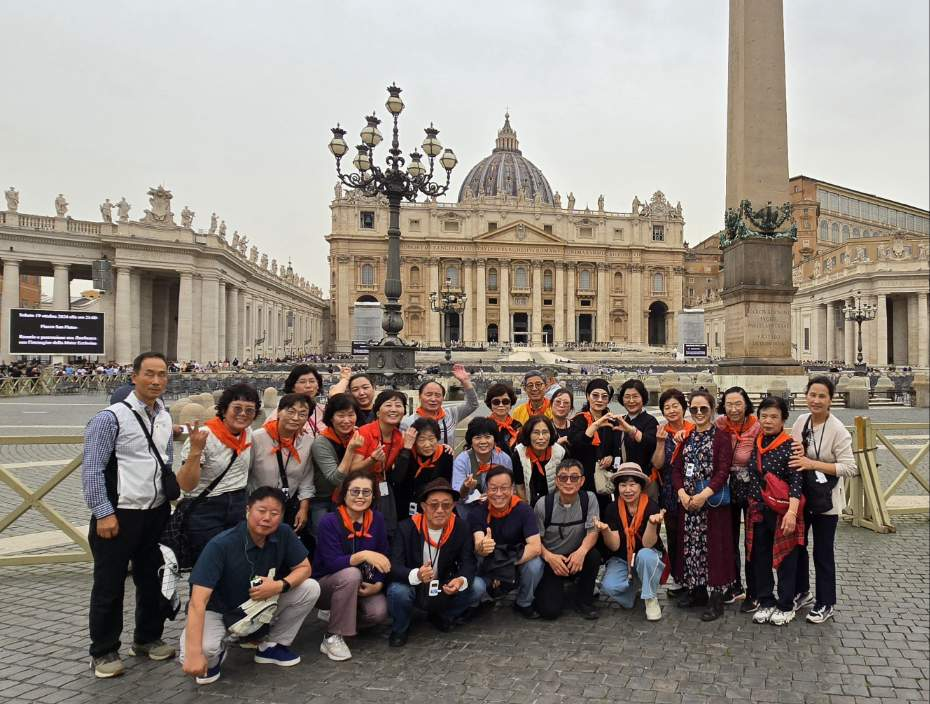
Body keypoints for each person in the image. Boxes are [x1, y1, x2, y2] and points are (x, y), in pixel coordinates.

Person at [82, 352, 176, 678]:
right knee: (109, 584)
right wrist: (103, 512)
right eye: (149, 374)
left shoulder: (164, 415)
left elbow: (165, 460)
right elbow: (92, 471)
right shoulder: (109, 417)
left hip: (156, 511)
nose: (156, 381)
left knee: (152, 579)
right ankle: (104, 650)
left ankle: (148, 638)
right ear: (134, 376)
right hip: (119, 513)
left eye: (162, 374)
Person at [179, 487, 320, 685]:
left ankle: (271, 646)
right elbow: (197, 602)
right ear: (247, 510)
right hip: (218, 610)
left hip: (258, 603)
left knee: (310, 588)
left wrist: (280, 585)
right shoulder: (221, 544)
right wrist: (194, 653)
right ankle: (217, 649)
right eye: (261, 511)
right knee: (202, 656)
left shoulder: (284, 533)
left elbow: (304, 568)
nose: (267, 518)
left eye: (274, 513)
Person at [790, 376, 857, 624]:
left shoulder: (837, 429)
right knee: (798, 547)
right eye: (812, 395)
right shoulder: (800, 421)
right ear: (806, 395)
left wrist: (812, 464)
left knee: (823, 552)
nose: (816, 400)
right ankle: (802, 591)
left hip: (826, 500)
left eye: (822, 396)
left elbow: (850, 467)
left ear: (831, 400)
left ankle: (826, 602)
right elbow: (795, 451)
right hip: (803, 497)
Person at [387, 479, 478, 646]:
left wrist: (460, 580)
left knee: (477, 586)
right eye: (433, 505)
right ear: (423, 506)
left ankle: (442, 616)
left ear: (453, 506)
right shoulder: (406, 528)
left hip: (443, 583)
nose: (440, 511)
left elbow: (468, 562)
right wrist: (417, 575)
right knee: (397, 591)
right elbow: (394, 565)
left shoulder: (461, 527)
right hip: (414, 585)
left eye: (446, 505)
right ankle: (400, 628)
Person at [671, 389, 735, 621]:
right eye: (694, 409)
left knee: (714, 549)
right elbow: (676, 468)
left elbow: (722, 471)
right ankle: (696, 590)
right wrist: (682, 493)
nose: (698, 413)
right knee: (691, 548)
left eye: (703, 409)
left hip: (711, 503)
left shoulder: (721, 438)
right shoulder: (686, 436)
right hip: (688, 503)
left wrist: (703, 495)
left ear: (712, 410)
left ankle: (716, 597)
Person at [313, 470, 390, 661]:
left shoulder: (377, 519)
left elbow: (384, 555)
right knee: (351, 574)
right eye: (355, 491)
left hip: (362, 584)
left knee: (378, 612)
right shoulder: (329, 522)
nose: (360, 497)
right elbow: (331, 563)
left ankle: (339, 614)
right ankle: (333, 636)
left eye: (366, 492)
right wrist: (362, 555)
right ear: (344, 493)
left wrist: (378, 584)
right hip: (326, 584)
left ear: (373, 496)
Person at [178, 383, 260, 561]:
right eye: (237, 408)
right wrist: (195, 450)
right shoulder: (204, 436)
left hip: (238, 505)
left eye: (250, 410)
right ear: (223, 410)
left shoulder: (248, 432)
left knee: (236, 564)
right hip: (206, 509)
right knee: (207, 566)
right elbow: (186, 485)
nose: (243, 414)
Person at [745, 396, 804, 626]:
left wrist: (791, 512)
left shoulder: (791, 445)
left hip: (782, 511)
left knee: (787, 558)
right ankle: (766, 600)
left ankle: (786, 604)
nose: (768, 421)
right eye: (764, 416)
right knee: (760, 557)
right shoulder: (757, 442)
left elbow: (796, 481)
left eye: (774, 417)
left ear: (783, 420)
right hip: (759, 509)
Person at [468, 466, 544, 618]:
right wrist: (482, 546)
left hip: (514, 560)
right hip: (487, 563)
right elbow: (478, 544)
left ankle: (524, 602)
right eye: (493, 488)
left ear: (512, 490)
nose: (498, 494)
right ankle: (477, 601)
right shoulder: (477, 513)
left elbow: (535, 547)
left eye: (504, 488)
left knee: (535, 564)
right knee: (475, 575)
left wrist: (503, 567)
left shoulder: (524, 510)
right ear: (486, 489)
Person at [532, 459, 601, 620]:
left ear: (582, 480)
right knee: (550, 611)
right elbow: (535, 540)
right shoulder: (543, 505)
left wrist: (581, 552)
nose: (568, 482)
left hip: (576, 557)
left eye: (574, 477)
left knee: (593, 555)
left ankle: (584, 600)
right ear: (556, 480)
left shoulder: (589, 499)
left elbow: (593, 531)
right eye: (563, 478)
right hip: (552, 559)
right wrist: (549, 557)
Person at [598, 463, 666, 621]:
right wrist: (605, 530)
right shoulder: (612, 509)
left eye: (632, 484)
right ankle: (634, 587)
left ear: (641, 486)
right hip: (621, 558)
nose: (627, 490)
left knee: (645, 556)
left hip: (646, 554)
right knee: (609, 587)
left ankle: (650, 598)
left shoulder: (651, 507)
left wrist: (651, 523)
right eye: (623, 485)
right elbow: (614, 546)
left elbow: (648, 544)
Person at [249, 394, 316, 548]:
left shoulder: (307, 442)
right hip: (258, 507)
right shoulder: (257, 438)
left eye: (302, 414)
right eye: (290, 412)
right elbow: (245, 475)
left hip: (287, 507)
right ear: (279, 411)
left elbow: (306, 479)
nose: (296, 418)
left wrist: (304, 509)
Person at [715, 386, 761, 610]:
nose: (733, 409)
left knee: (752, 540)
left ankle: (755, 591)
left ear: (746, 405)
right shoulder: (720, 424)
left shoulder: (757, 426)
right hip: (727, 487)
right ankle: (734, 586)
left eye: (738, 404)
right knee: (729, 538)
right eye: (729, 404)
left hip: (752, 489)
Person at [650, 388, 693, 596]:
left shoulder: (694, 429)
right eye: (667, 407)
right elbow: (658, 465)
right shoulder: (662, 432)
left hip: (694, 491)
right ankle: (678, 578)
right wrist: (660, 443)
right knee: (675, 536)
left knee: (693, 536)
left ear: (684, 408)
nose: (672, 410)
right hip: (670, 491)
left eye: (675, 406)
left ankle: (695, 577)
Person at [352, 389, 406, 537]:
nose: (394, 409)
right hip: (360, 488)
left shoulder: (399, 437)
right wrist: (372, 460)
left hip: (382, 487)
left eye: (398, 405)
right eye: (388, 405)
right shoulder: (364, 432)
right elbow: (352, 469)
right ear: (377, 411)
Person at [310, 393, 364, 534]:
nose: (346, 420)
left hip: (351, 497)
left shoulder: (359, 436)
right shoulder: (321, 443)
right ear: (331, 418)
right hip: (323, 499)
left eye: (351, 415)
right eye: (341, 415)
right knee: (324, 538)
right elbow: (335, 478)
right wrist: (351, 449)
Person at [392, 417, 455, 519]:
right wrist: (406, 449)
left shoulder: (445, 454)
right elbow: (397, 479)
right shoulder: (407, 453)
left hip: (433, 507)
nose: (427, 444)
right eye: (421, 439)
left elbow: (446, 485)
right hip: (405, 507)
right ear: (414, 440)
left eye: (431, 439)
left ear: (437, 439)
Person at [400, 363, 478, 444]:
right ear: (420, 397)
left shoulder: (451, 414)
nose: (433, 399)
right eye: (428, 395)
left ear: (443, 398)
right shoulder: (408, 423)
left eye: (437, 395)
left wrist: (465, 381)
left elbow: (472, 404)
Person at [567, 379, 618, 502]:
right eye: (595, 395)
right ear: (587, 396)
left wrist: (612, 457)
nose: (599, 400)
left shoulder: (612, 421)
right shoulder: (579, 420)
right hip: (583, 477)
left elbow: (618, 447)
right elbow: (576, 444)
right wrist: (596, 425)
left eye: (604, 396)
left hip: (603, 477)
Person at [451, 416, 513, 497]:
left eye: (488, 437)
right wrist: (465, 487)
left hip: (497, 502)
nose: (483, 442)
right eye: (478, 437)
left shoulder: (504, 459)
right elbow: (457, 494)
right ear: (471, 441)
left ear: (495, 440)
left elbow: (511, 487)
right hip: (469, 506)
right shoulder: (462, 461)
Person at [514, 415, 566, 505]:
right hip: (528, 502)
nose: (541, 437)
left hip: (553, 503)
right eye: (536, 432)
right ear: (528, 434)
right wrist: (527, 511)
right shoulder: (519, 453)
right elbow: (520, 487)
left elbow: (561, 486)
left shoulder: (559, 452)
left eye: (545, 432)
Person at [614, 379, 658, 475]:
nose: (631, 401)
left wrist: (632, 431)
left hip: (642, 477)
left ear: (643, 398)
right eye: (627, 397)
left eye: (635, 396)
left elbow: (651, 444)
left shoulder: (651, 421)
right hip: (621, 477)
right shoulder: (620, 421)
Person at [277, 364, 326, 438]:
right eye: (302, 382)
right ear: (293, 387)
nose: (308, 386)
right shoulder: (282, 411)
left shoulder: (324, 410)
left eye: (312, 381)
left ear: (318, 385)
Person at [485, 382, 522, 456]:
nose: (501, 405)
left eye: (505, 402)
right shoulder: (484, 425)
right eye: (496, 402)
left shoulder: (518, 426)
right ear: (490, 404)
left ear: (511, 404)